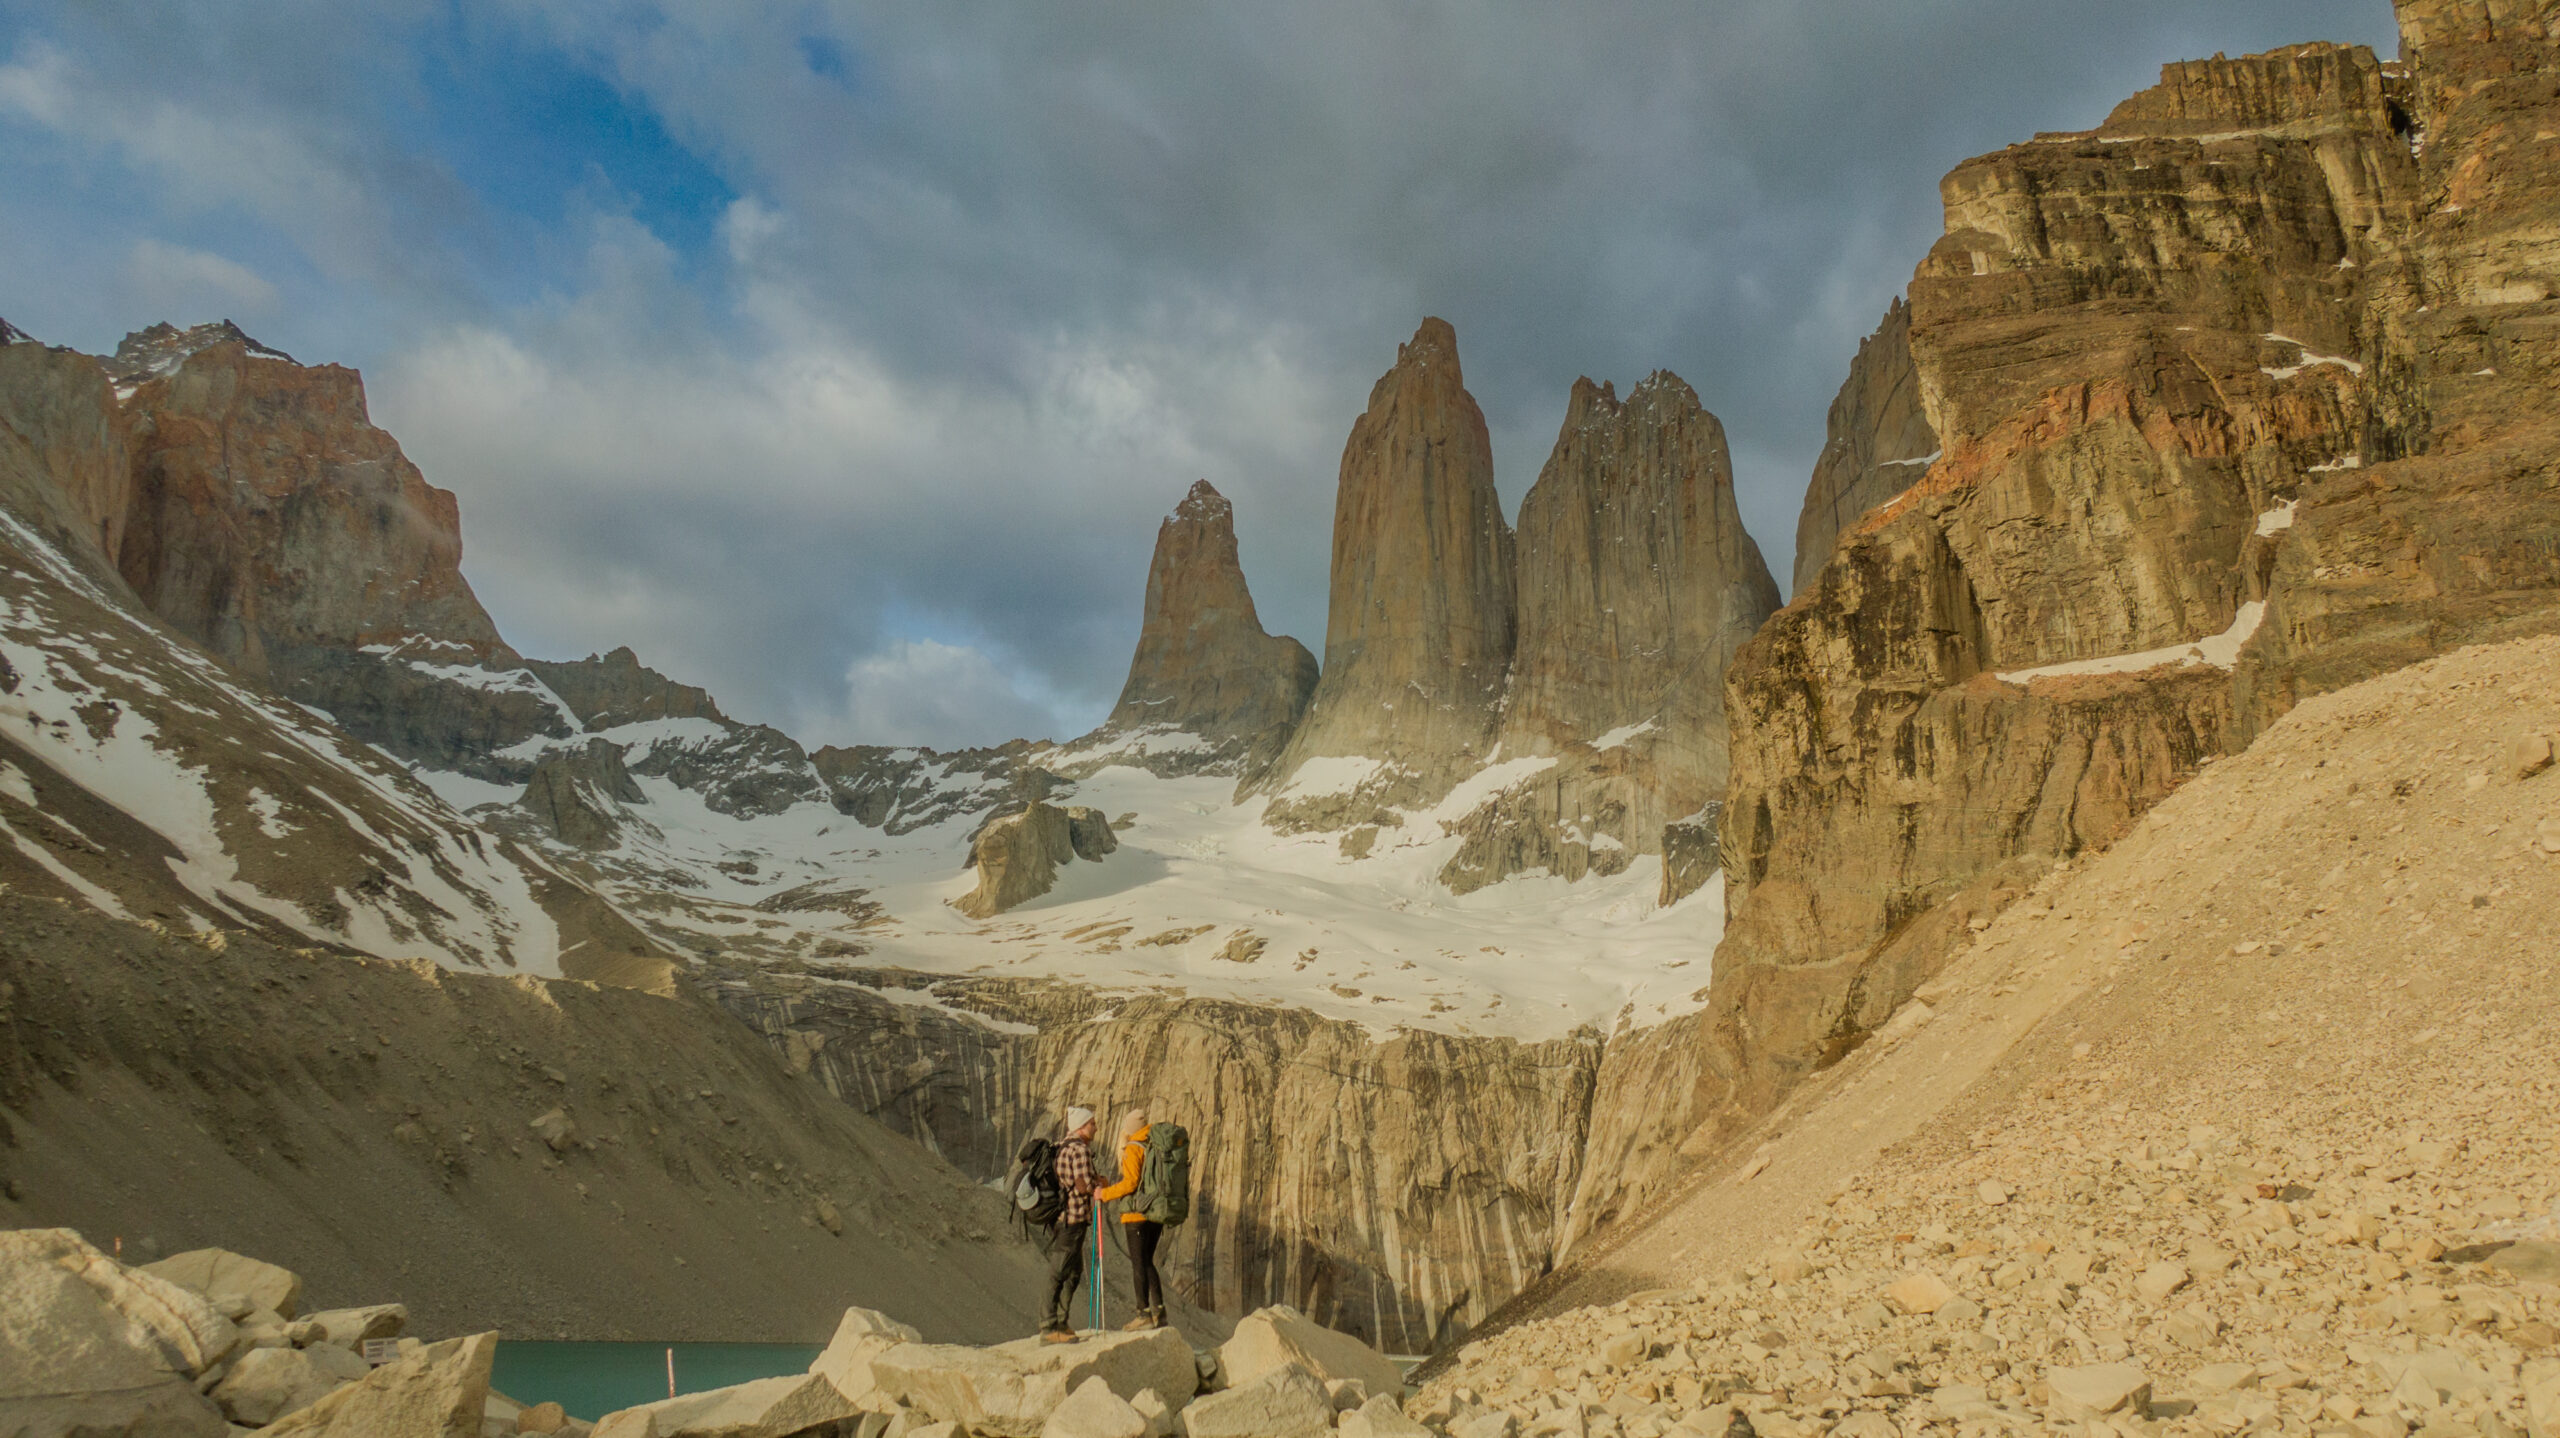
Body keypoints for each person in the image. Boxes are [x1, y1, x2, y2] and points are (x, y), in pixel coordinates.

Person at [1092, 1106, 1165, 1331]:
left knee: (1138, 1264)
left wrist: (1105, 1194)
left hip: (1136, 1214)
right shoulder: (1155, 1145)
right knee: (1148, 1261)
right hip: (1156, 1212)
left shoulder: (1134, 1147)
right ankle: (1160, 1313)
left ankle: (1142, 1314)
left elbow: (1131, 1183)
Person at [1040, 1105, 1099, 1342]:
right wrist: (1100, 1188)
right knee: (1059, 1270)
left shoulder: (1063, 1146)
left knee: (1073, 1272)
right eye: (1092, 1123)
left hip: (1064, 1217)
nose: (1096, 1127)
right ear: (1082, 1126)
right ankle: (1049, 1326)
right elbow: (1083, 1186)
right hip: (1073, 1218)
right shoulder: (1080, 1151)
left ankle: (1061, 1323)